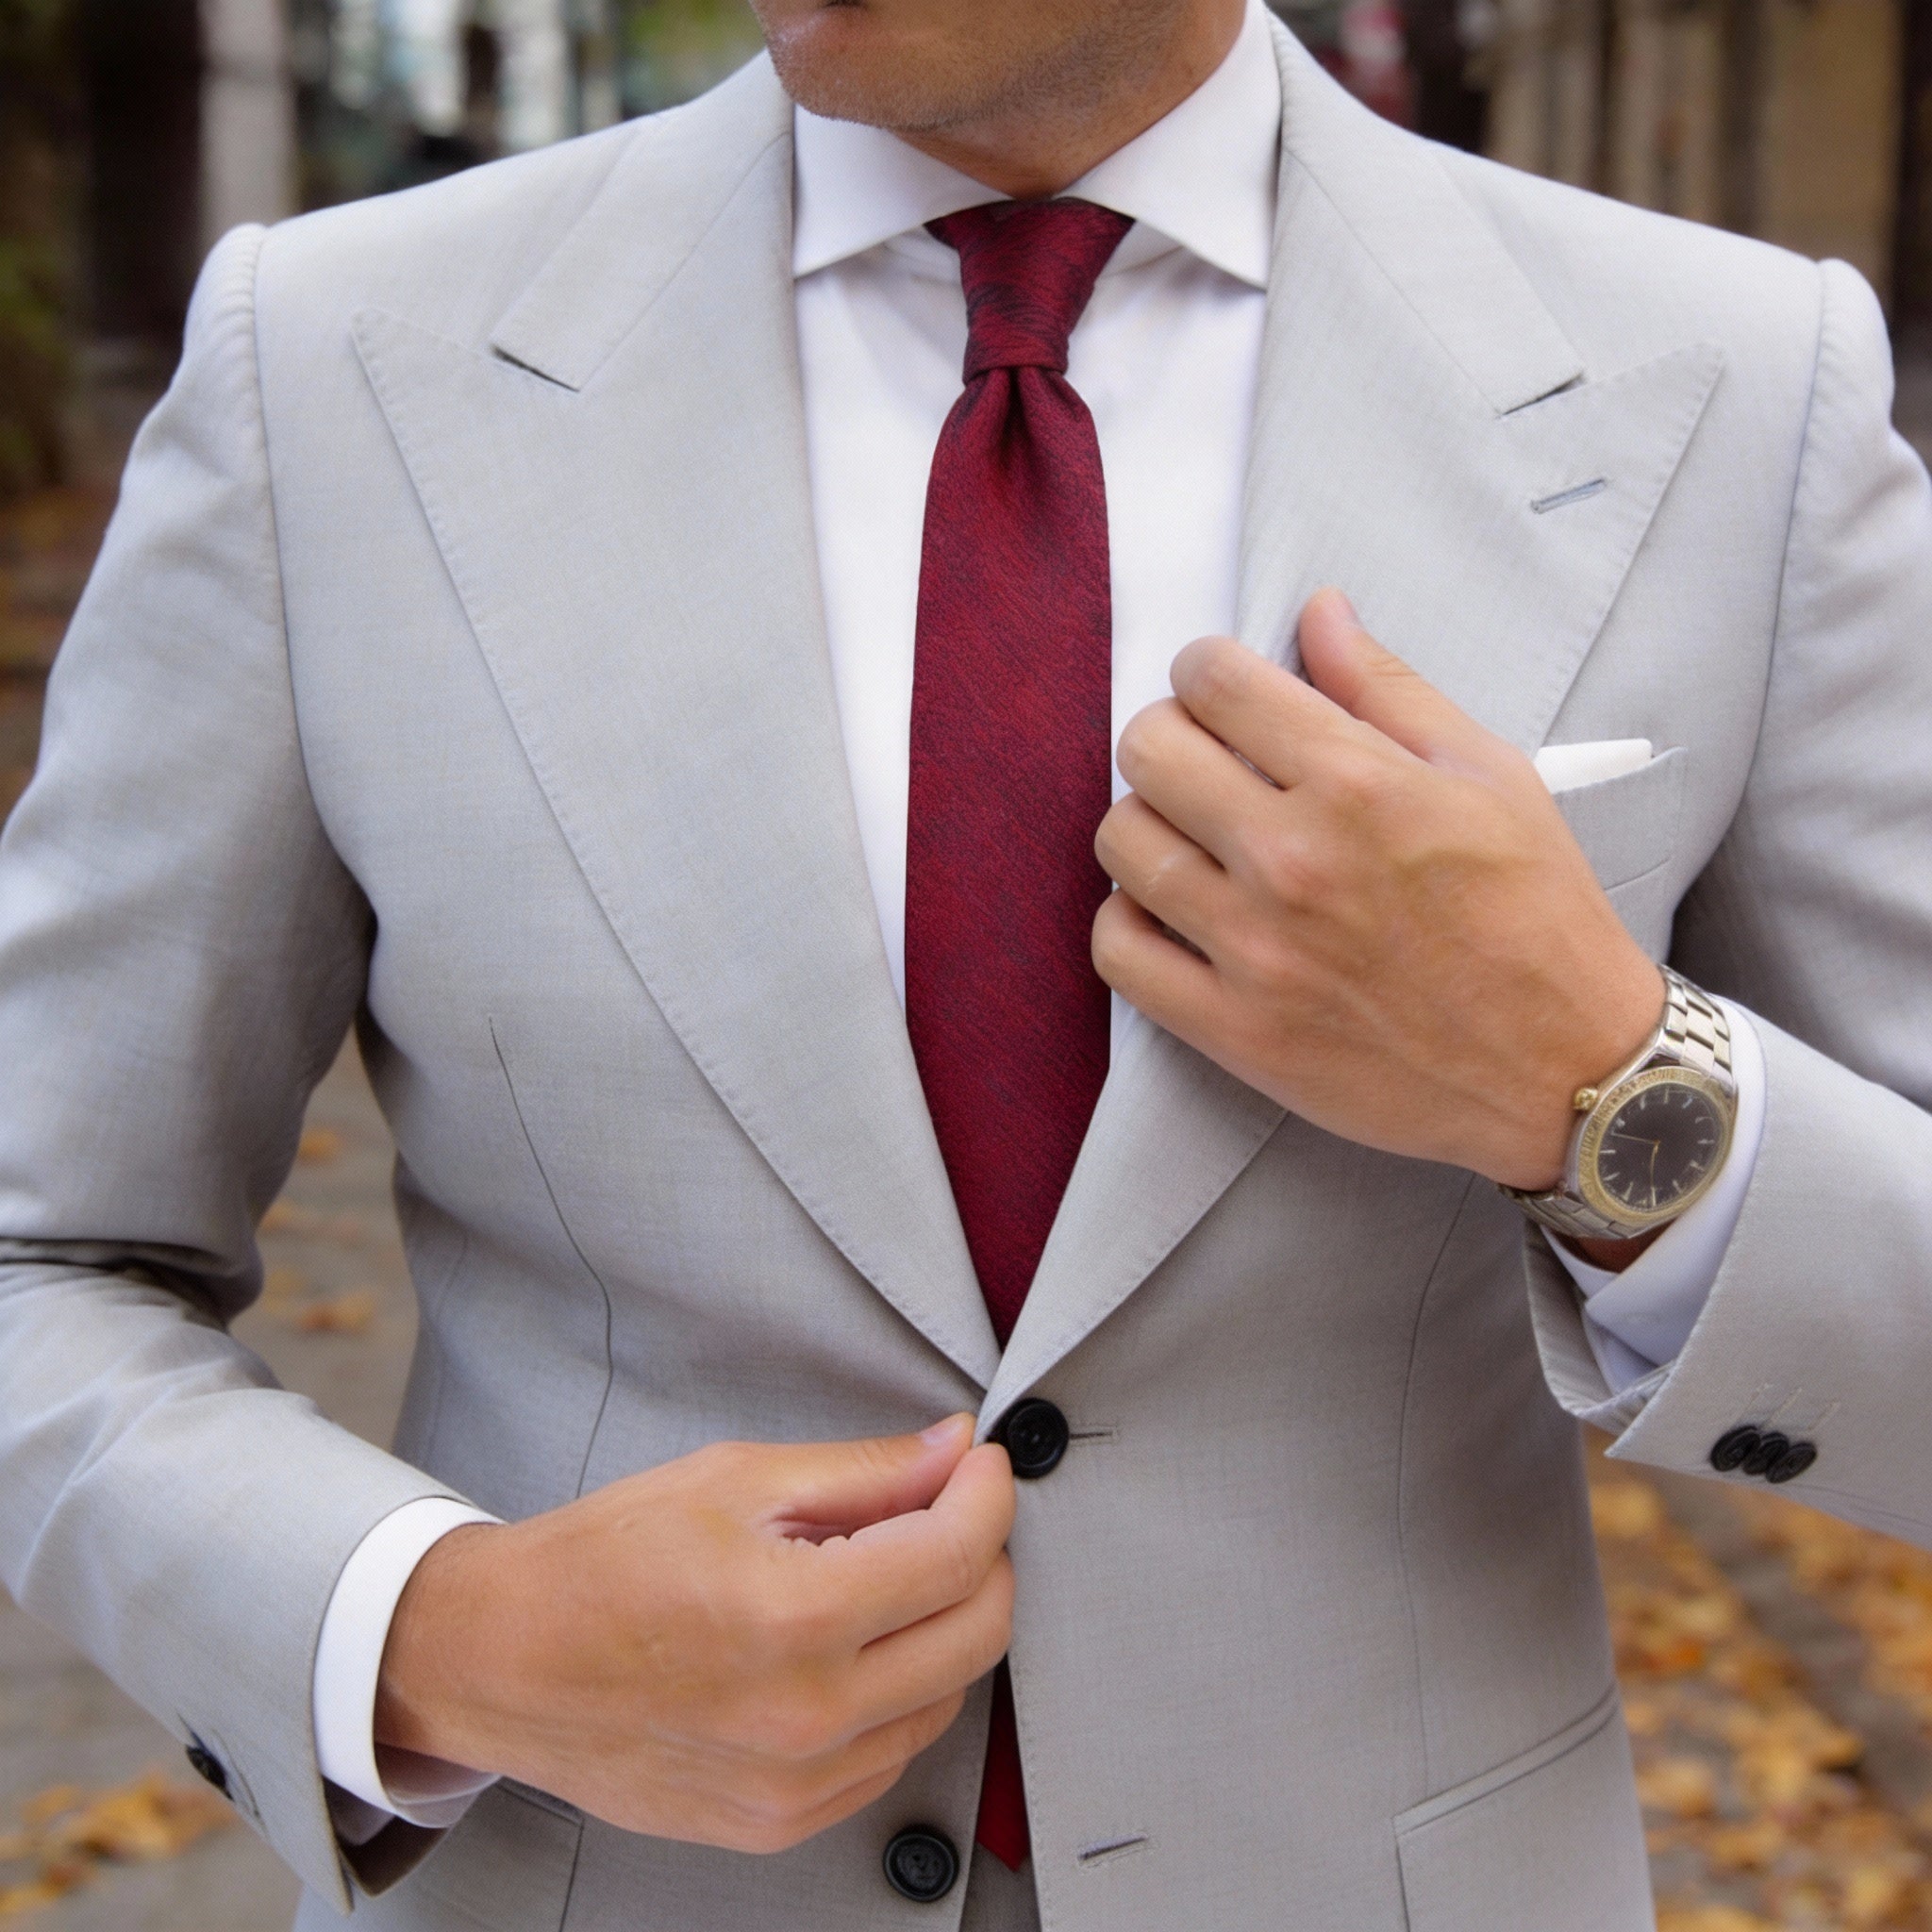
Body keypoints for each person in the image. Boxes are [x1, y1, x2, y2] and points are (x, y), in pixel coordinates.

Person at [2, 0, 1929, 1923]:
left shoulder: (1737, 390)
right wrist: (433, 1632)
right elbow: (41, 1248)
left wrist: (1599, 1083)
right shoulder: (329, 367)